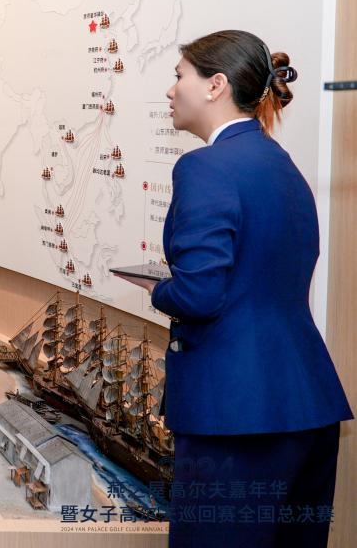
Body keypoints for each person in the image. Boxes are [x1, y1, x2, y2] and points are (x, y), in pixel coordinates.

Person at [117, 30, 352, 547]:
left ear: (215, 85)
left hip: (235, 416)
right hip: (308, 404)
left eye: (180, 75)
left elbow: (200, 295)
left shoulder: (204, 166)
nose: (171, 90)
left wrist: (157, 289)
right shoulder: (283, 165)